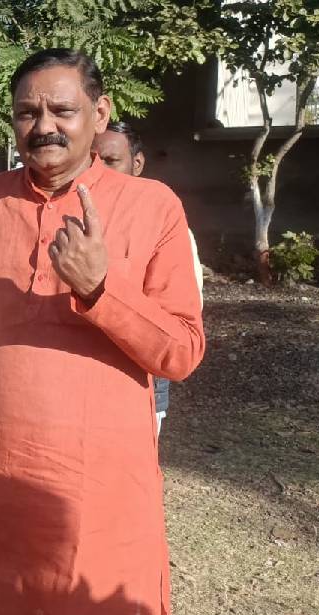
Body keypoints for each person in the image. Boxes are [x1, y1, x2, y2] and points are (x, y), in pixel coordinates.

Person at [0, 49, 205, 615]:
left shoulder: (152, 206)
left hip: (98, 498)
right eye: (27, 112)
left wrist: (101, 290)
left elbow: (183, 350)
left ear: (99, 114)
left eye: (63, 110)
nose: (44, 126)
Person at [93, 120, 205, 436]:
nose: (98, 172)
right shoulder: (74, 224)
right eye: (92, 161)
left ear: (137, 163)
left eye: (111, 161)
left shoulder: (166, 228)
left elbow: (180, 328)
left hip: (140, 386)